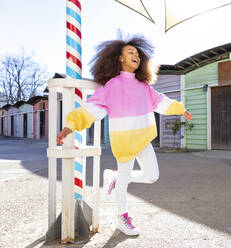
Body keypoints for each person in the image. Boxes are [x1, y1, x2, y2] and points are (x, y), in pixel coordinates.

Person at [56, 34, 192, 236]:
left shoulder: (144, 86)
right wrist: (71, 125)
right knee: (124, 182)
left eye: (137, 53)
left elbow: (160, 101)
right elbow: (92, 107)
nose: (135, 55)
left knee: (152, 176)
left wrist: (179, 109)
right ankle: (122, 217)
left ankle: (115, 176)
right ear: (120, 58)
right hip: (124, 141)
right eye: (130, 52)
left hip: (143, 139)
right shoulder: (112, 85)